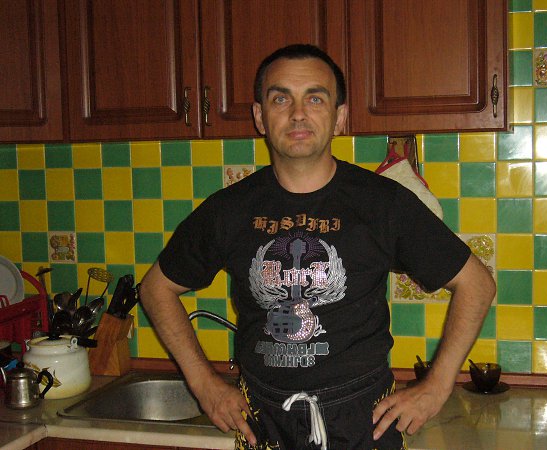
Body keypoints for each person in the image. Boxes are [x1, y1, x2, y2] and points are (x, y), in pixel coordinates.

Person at [139, 44, 496, 450]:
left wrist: (437, 385)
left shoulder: (383, 203)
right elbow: (155, 289)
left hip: (362, 424)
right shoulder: (229, 210)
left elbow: (476, 284)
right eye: (280, 99)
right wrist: (203, 384)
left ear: (339, 117)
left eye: (315, 98)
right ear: (260, 116)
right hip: (263, 423)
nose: (297, 113)